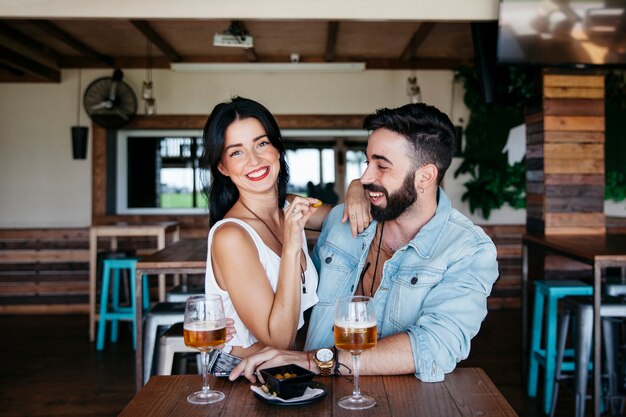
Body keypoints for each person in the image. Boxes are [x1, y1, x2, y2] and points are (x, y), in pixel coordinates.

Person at [229, 102, 499, 382]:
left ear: (425, 176)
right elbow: (270, 205)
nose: (366, 176)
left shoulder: (467, 249)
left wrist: (315, 361)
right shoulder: (342, 220)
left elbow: (435, 346)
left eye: (382, 165)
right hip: (312, 397)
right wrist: (236, 328)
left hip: (404, 405)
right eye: (367, 162)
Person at [201, 97, 370, 361]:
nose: (254, 160)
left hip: (295, 365)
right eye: (236, 152)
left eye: (262, 143)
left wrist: (358, 186)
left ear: (277, 148)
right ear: (222, 167)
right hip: (243, 374)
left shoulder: (290, 206)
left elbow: (348, 217)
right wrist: (291, 245)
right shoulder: (231, 236)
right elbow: (278, 339)